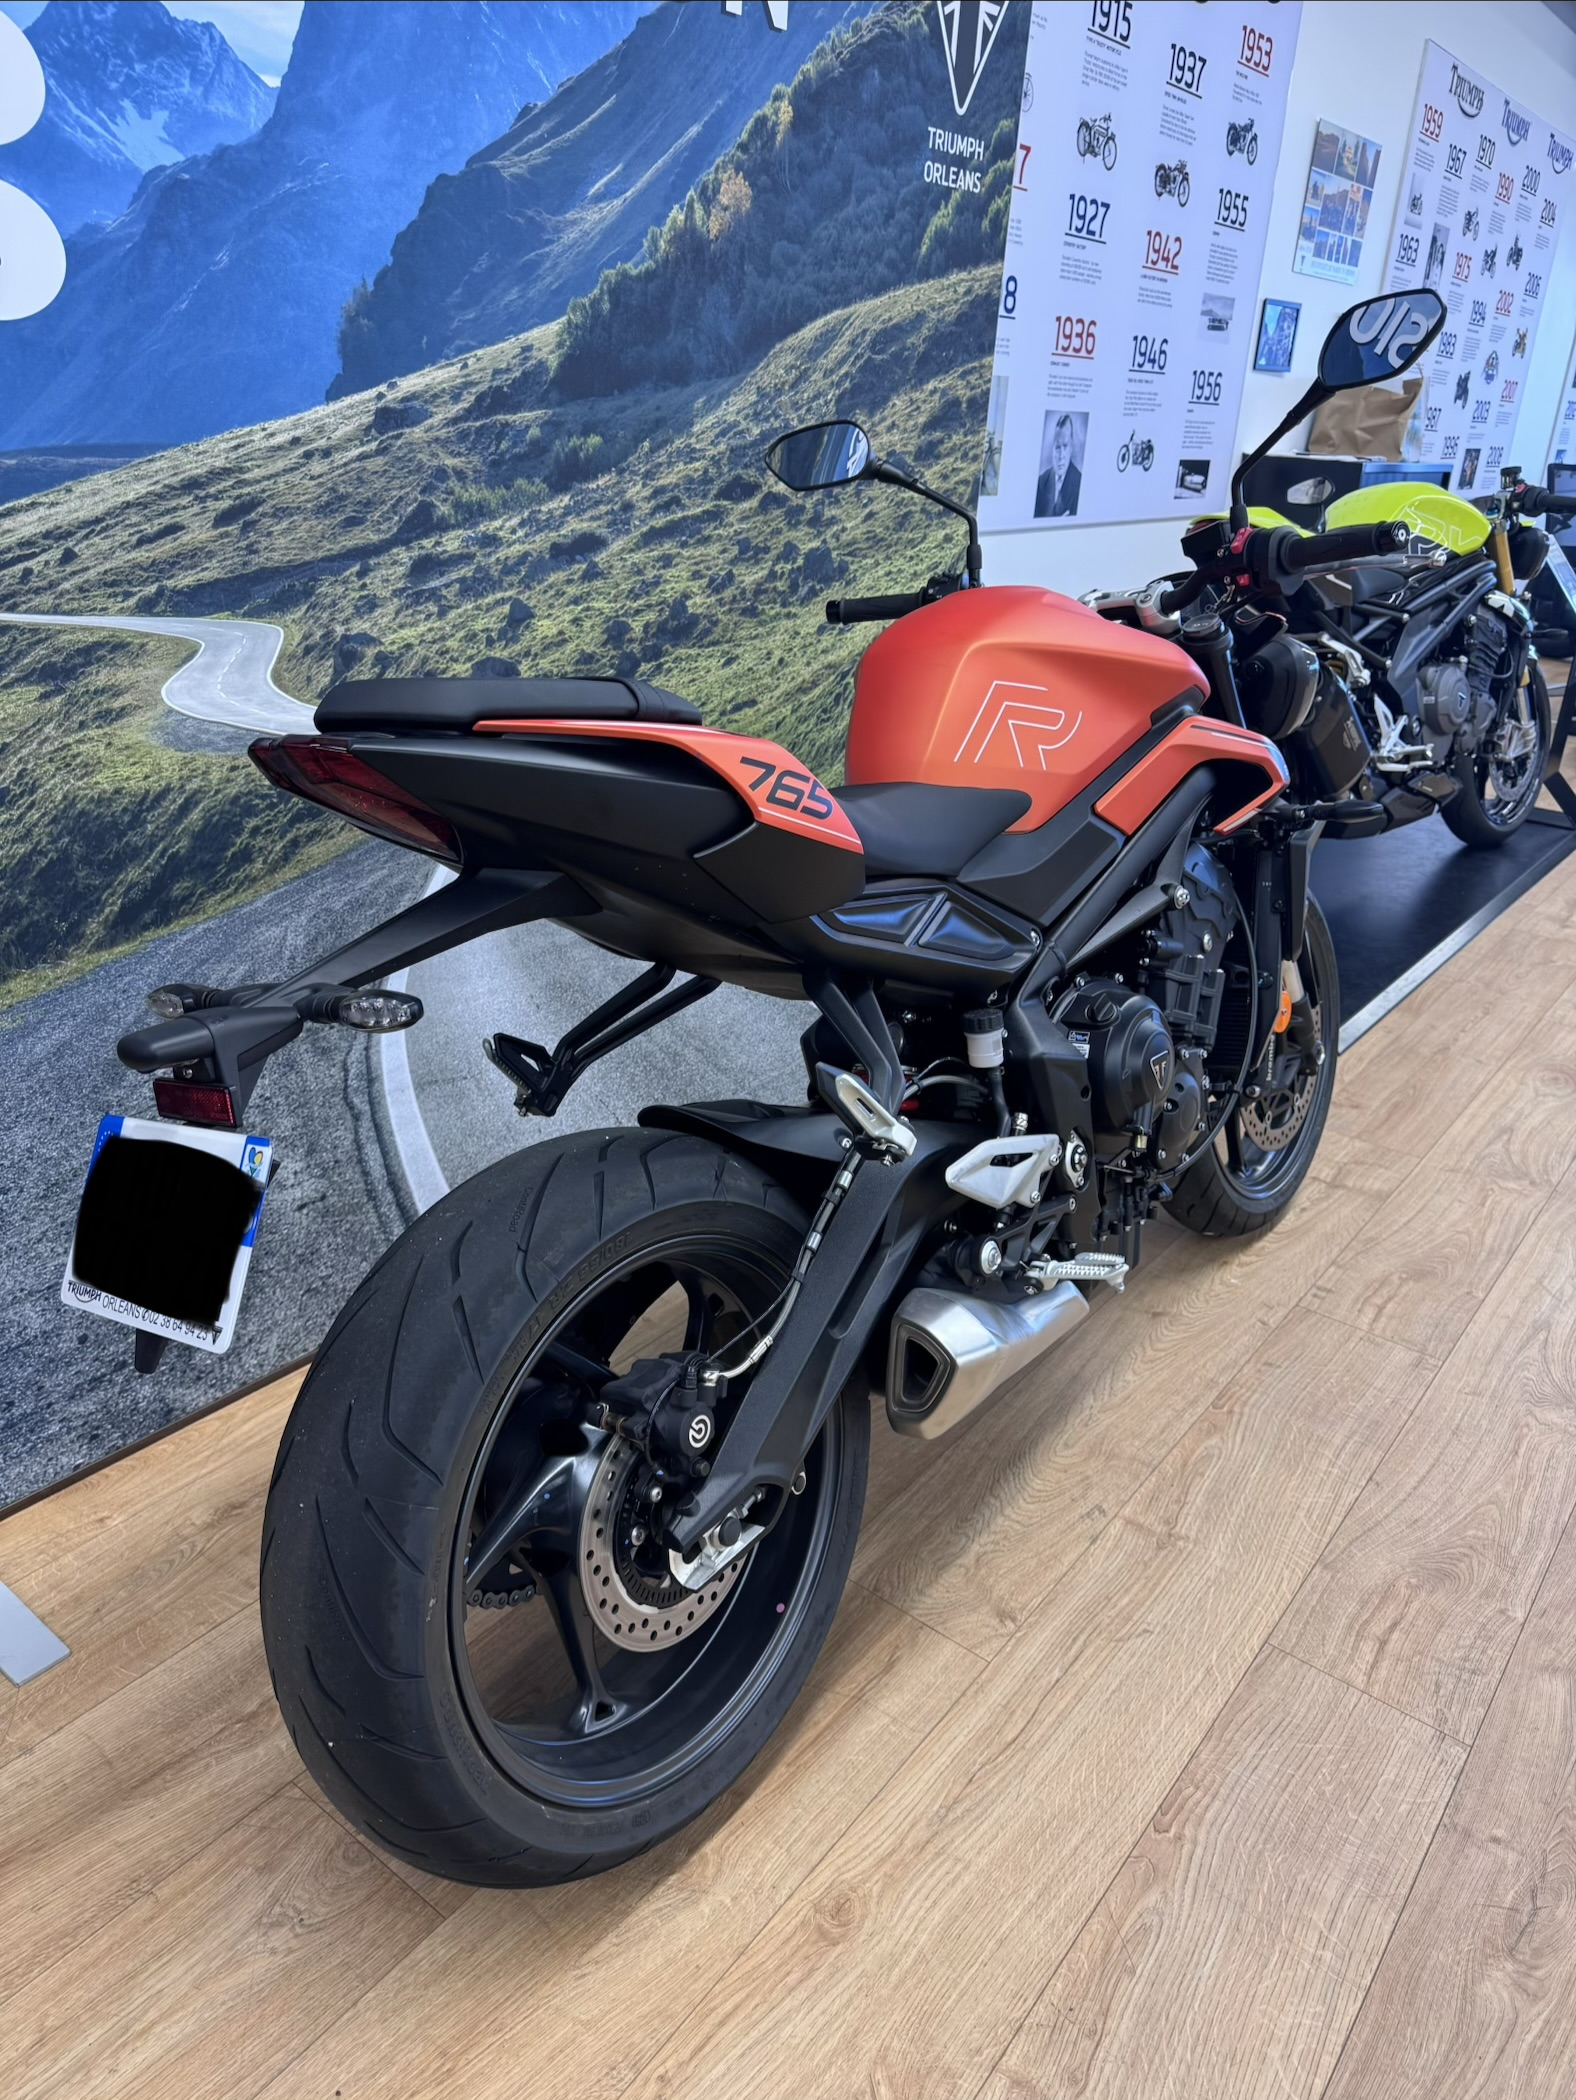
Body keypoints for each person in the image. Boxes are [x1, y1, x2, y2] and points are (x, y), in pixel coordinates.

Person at [1035, 414, 1082, 517]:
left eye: (1065, 446)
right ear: (1052, 449)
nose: (1061, 456)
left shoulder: (1080, 483)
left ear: (1071, 448)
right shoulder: (1041, 481)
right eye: (1057, 447)